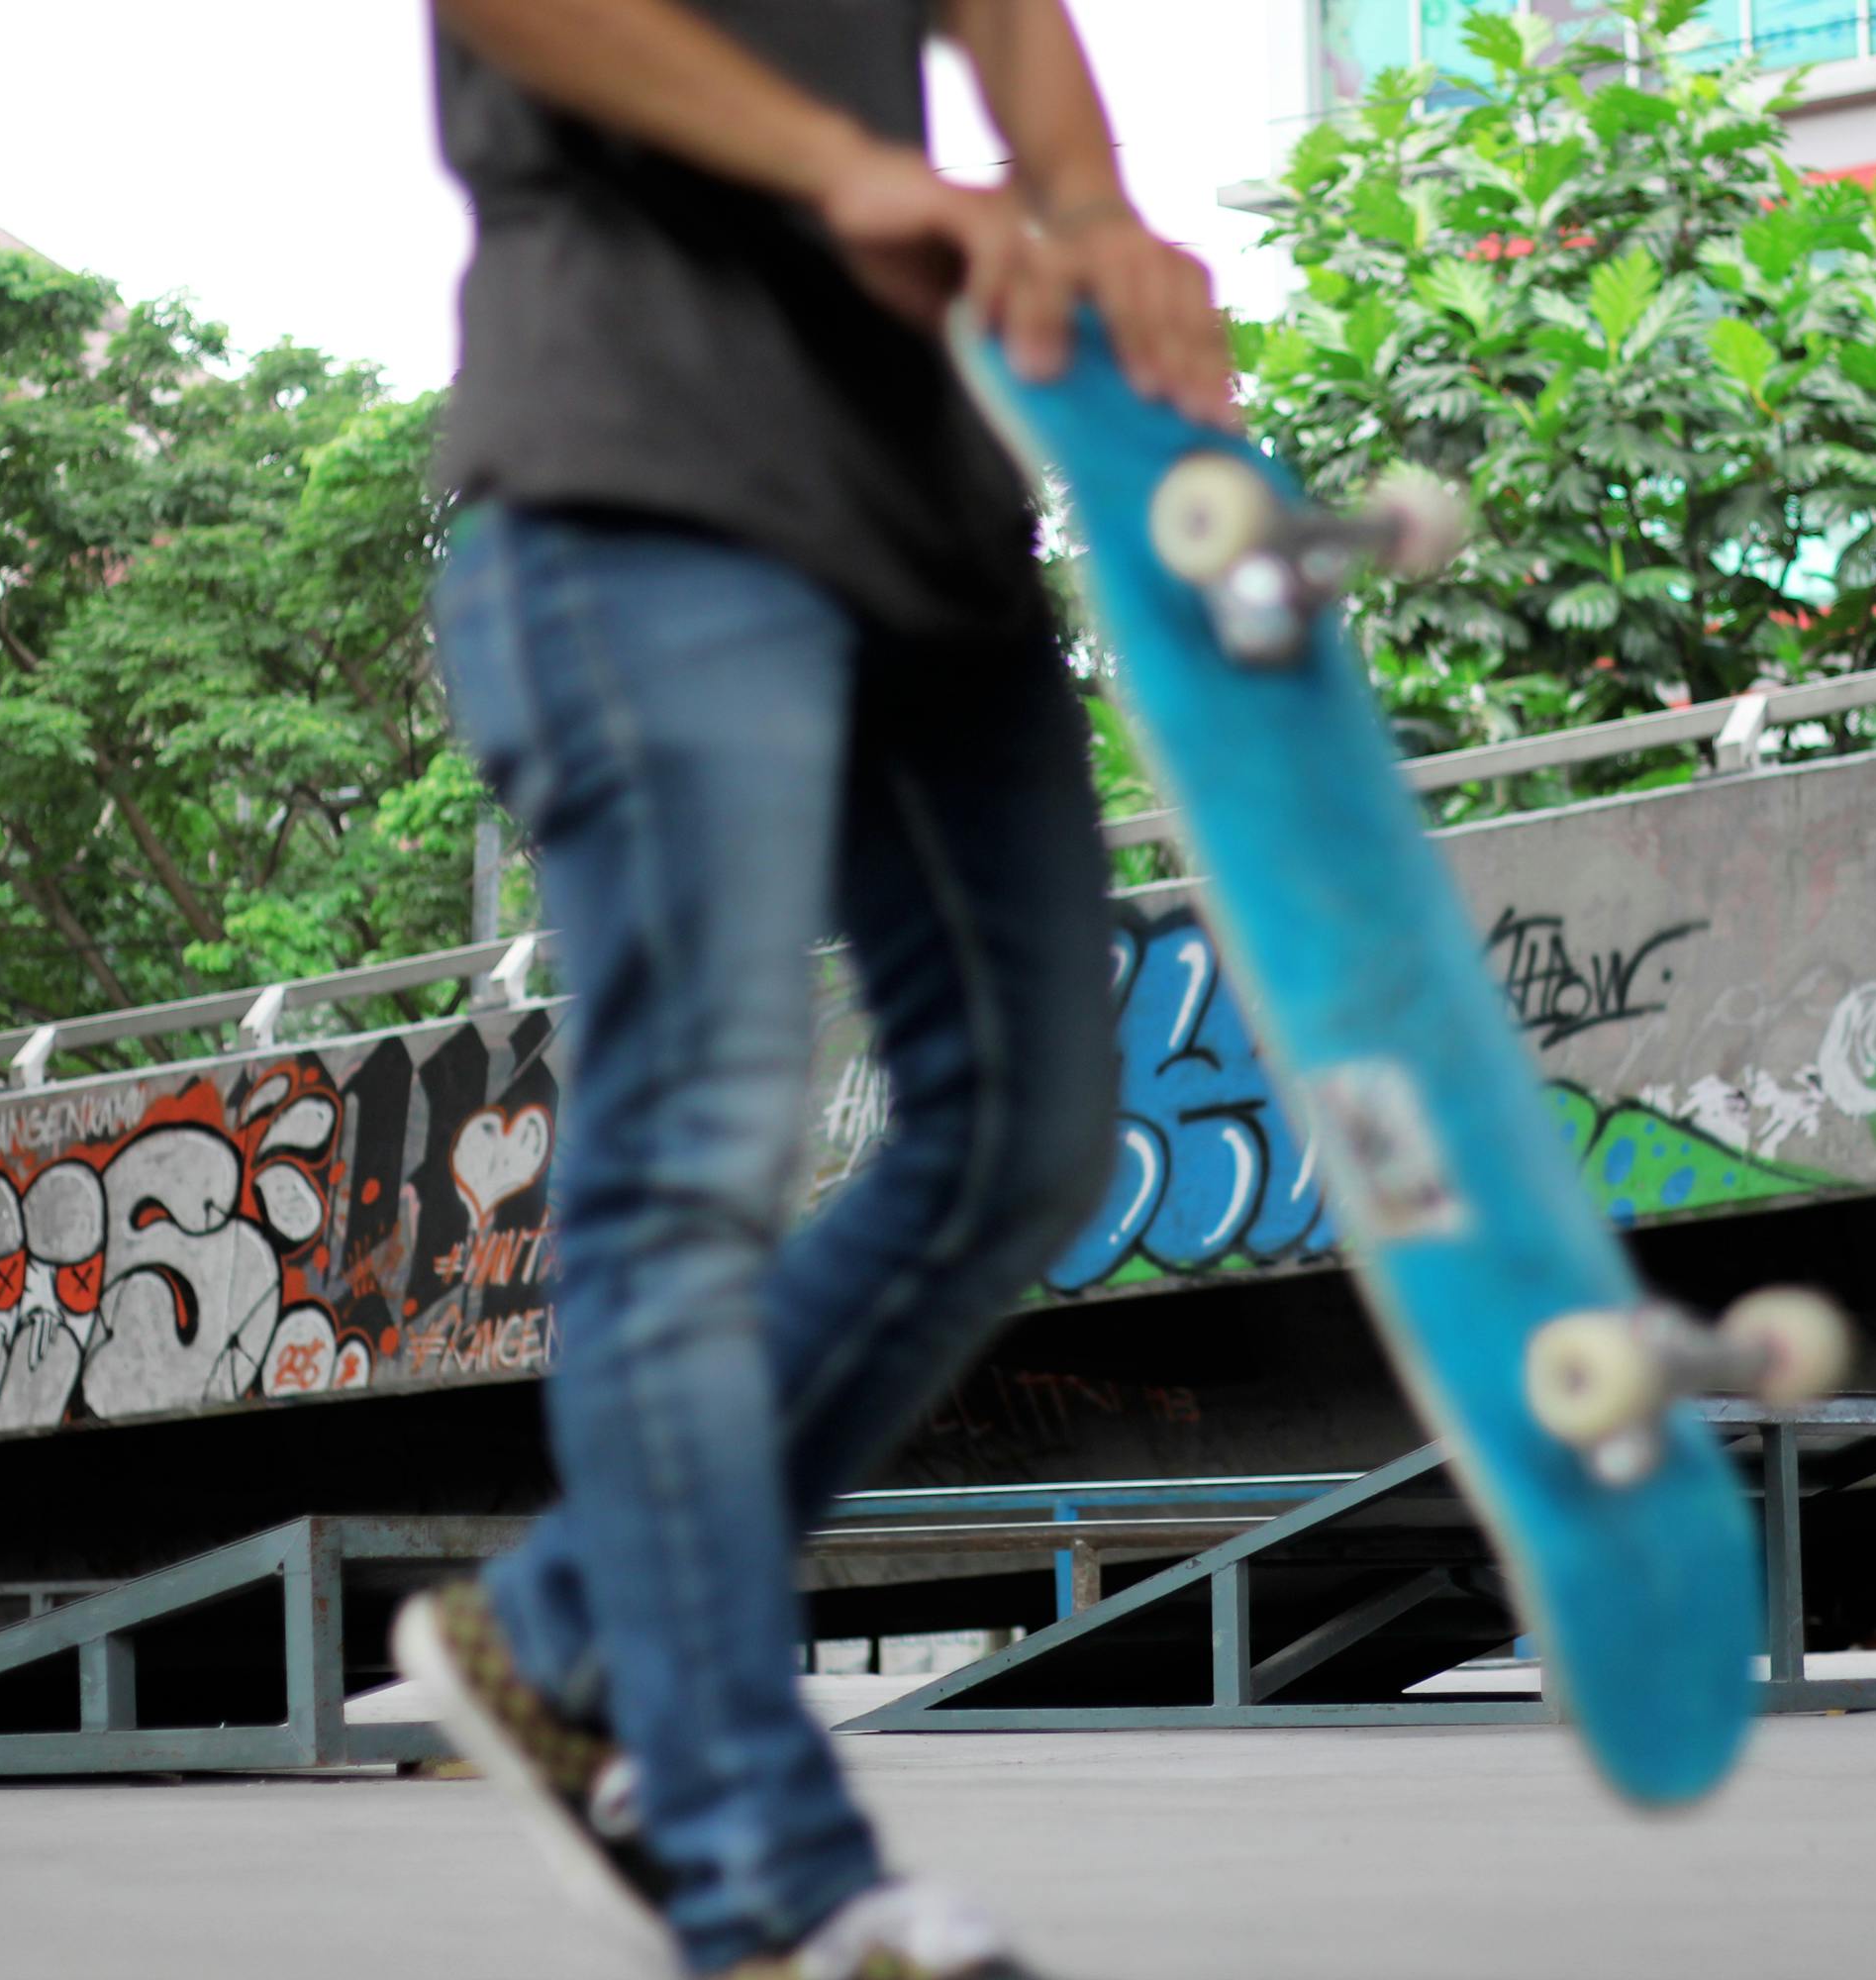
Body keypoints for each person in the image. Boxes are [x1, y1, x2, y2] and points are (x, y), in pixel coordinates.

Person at [388, 6, 1234, 1977]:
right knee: (691, 1158)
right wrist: (844, 163)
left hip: (926, 512)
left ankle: (575, 1628)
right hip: (635, 480)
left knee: (1027, 1130)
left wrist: (1091, 206)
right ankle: (771, 1881)